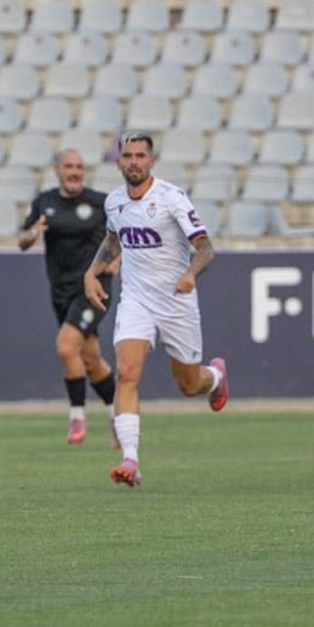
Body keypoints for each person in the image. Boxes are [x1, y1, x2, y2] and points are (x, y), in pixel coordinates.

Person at [82, 131, 229, 487]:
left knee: (189, 385)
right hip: (137, 300)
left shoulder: (171, 198)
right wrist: (92, 272)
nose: (133, 162)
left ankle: (217, 378)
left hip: (176, 302)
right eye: (127, 156)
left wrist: (190, 274)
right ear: (118, 162)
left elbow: (205, 248)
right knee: (127, 373)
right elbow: (114, 238)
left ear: (151, 161)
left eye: (140, 156)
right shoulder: (114, 202)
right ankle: (130, 460)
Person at [18, 149, 118, 446]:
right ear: (57, 170)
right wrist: (32, 234)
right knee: (91, 360)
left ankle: (77, 417)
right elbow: (22, 241)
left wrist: (118, 258)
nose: (75, 171)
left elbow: (123, 235)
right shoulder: (45, 203)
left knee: (65, 347)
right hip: (60, 292)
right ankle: (119, 419)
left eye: (79, 166)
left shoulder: (99, 202)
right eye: (69, 166)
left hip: (93, 289)